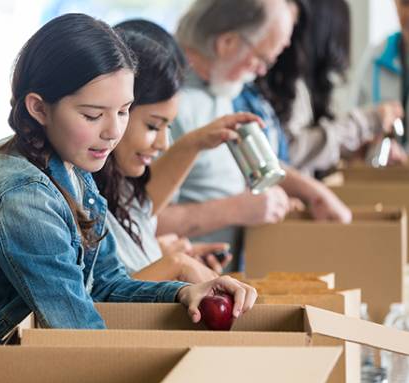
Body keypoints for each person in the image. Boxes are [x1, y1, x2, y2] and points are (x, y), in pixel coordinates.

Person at [0, 13, 257, 344]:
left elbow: (105, 286)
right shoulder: (23, 196)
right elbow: (77, 329)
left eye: (123, 111)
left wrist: (183, 293)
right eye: (93, 115)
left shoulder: (72, 168)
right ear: (39, 108)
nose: (112, 132)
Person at [158, 0, 351, 271]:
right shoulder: (169, 107)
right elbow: (143, 220)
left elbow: (247, 164)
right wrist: (236, 209)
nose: (262, 72)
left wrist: (313, 192)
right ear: (226, 43)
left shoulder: (220, 90)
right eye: (260, 59)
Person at [94, 19, 261, 283]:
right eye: (153, 125)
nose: (163, 144)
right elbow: (100, 301)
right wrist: (175, 265)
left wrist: (168, 260)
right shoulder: (80, 197)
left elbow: (139, 212)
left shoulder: (120, 188)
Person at [261, 0, 405, 177]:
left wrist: (348, 150)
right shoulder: (290, 84)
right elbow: (288, 154)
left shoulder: (306, 86)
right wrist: (367, 122)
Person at [353, 0, 409, 149]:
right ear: (395, 4)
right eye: (405, 3)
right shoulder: (375, 58)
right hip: (383, 169)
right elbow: (355, 129)